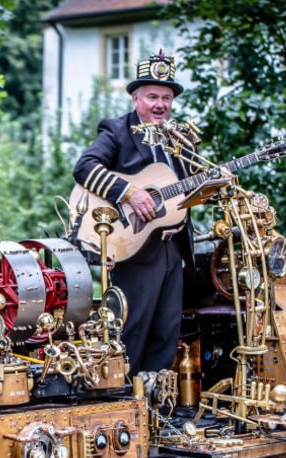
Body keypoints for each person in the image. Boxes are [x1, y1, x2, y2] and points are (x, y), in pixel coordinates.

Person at [73, 50, 197, 376]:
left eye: (166, 98)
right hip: (133, 247)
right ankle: (125, 402)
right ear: (135, 97)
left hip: (174, 247)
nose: (160, 105)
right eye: (152, 96)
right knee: (133, 331)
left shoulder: (179, 139)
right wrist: (129, 191)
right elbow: (84, 168)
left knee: (166, 332)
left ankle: (156, 406)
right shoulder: (117, 130)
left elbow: (186, 188)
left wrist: (215, 185)